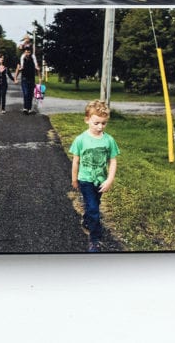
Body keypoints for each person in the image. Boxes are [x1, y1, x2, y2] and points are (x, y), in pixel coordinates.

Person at [69, 100, 120, 252]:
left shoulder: (109, 140)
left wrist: (110, 179)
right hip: (85, 180)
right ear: (87, 120)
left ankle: (87, 220)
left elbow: (113, 161)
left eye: (103, 124)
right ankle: (95, 239)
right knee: (93, 209)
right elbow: (76, 161)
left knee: (94, 205)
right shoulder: (80, 140)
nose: (100, 127)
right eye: (96, 123)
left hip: (100, 180)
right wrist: (74, 178)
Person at [13, 46, 40, 114]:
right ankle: (25, 108)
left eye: (29, 52)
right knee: (26, 93)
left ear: (30, 53)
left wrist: (39, 78)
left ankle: (29, 108)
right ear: (24, 53)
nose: (27, 53)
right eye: (26, 52)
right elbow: (18, 69)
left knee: (30, 94)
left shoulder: (33, 59)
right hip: (24, 79)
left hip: (32, 79)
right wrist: (15, 78)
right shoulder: (21, 59)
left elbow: (37, 68)